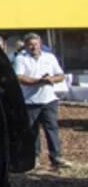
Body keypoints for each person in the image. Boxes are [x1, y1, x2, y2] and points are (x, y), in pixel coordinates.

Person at [13, 32, 68, 169]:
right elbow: (19, 77)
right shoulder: (21, 59)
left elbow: (60, 75)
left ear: (40, 44)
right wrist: (38, 81)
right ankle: (34, 158)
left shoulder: (49, 57)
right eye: (30, 45)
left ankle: (56, 157)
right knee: (32, 131)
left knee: (52, 128)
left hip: (49, 99)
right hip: (30, 101)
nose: (33, 47)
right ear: (25, 46)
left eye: (36, 44)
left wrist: (51, 79)